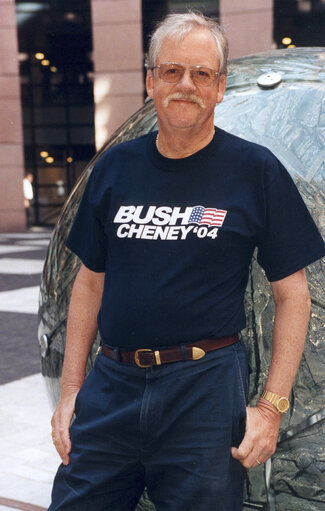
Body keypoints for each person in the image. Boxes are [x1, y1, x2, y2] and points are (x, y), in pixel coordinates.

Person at [48, 11, 325, 511]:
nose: (186, 85)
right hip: (111, 386)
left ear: (220, 88)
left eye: (201, 74)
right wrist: (71, 392)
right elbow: (89, 283)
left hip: (205, 392)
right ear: (151, 81)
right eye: (172, 71)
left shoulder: (256, 169)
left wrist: (271, 408)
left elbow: (294, 295)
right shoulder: (115, 166)